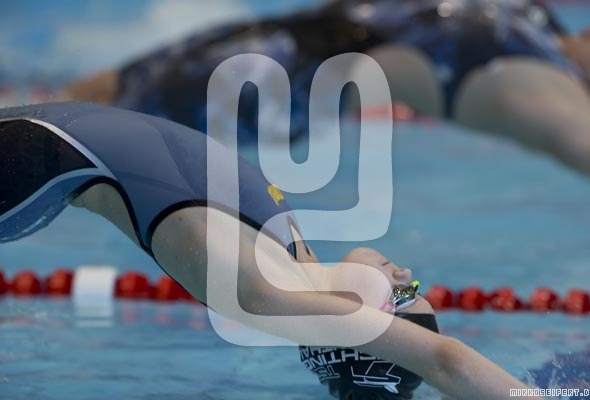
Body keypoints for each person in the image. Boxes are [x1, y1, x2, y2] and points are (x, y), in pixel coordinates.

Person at [0, 102, 541, 399]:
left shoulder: (259, 291)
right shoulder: (290, 257)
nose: (403, 271)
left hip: (28, 168)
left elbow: (447, 362)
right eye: (411, 285)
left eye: (401, 295)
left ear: (351, 323)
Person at [59, 0, 590, 177]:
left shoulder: (539, 81)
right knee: (87, 93)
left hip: (270, 83)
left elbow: (580, 142)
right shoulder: (540, 23)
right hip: (277, 34)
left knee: (70, 133)